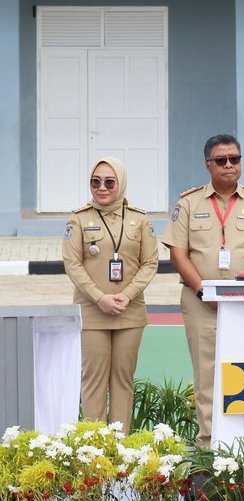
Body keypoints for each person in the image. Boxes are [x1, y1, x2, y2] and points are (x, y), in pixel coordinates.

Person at [161, 134, 244, 448]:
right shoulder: (188, 204)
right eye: (221, 160)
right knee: (207, 374)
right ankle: (209, 443)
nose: (229, 165)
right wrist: (205, 291)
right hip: (201, 302)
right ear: (208, 165)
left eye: (235, 159)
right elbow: (178, 254)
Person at [63, 157, 159, 431]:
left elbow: (149, 263)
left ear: (121, 183)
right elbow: (73, 264)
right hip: (93, 311)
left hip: (129, 311)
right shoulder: (78, 219)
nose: (101, 188)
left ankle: (120, 445)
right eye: (95, 182)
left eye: (109, 182)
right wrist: (99, 297)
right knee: (93, 379)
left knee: (122, 379)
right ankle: (94, 448)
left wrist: (126, 295)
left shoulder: (139, 220)